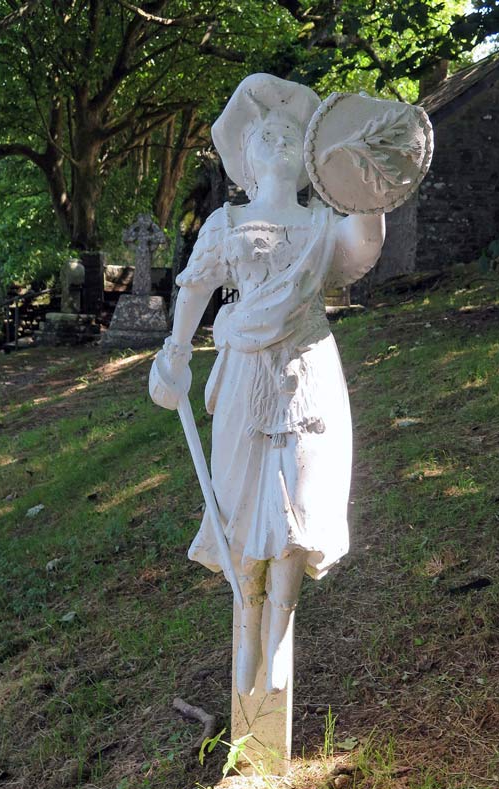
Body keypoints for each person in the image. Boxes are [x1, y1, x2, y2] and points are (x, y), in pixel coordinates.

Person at [149, 73, 385, 696]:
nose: (278, 140)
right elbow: (196, 288)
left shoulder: (320, 224)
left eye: (289, 134)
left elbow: (361, 246)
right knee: (242, 501)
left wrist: (370, 191)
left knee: (295, 504)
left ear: (304, 158)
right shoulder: (226, 224)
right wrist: (174, 354)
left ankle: (279, 634)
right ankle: (247, 624)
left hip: (306, 372)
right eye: (266, 135)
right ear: (244, 161)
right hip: (244, 376)